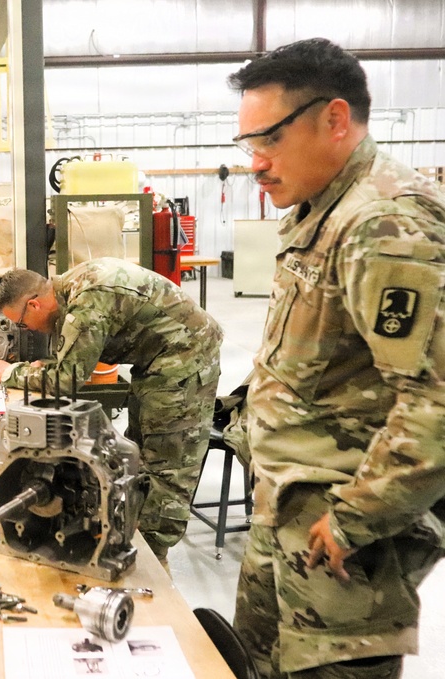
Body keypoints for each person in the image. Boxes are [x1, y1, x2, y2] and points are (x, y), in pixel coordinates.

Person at [228, 38, 445, 679]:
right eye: (247, 146)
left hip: (344, 544)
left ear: (334, 118)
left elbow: (436, 399)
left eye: (267, 140)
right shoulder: (323, 209)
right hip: (287, 511)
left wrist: (356, 519)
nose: (256, 164)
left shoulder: (384, 223)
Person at [0, 258, 222, 563]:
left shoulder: (86, 301)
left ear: (34, 305)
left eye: (20, 323)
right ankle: (131, 536)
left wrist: (10, 373)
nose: (26, 330)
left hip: (185, 361)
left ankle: (154, 563)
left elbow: (67, 380)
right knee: (136, 454)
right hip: (159, 361)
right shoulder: (68, 290)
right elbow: (74, 358)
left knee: (166, 465)